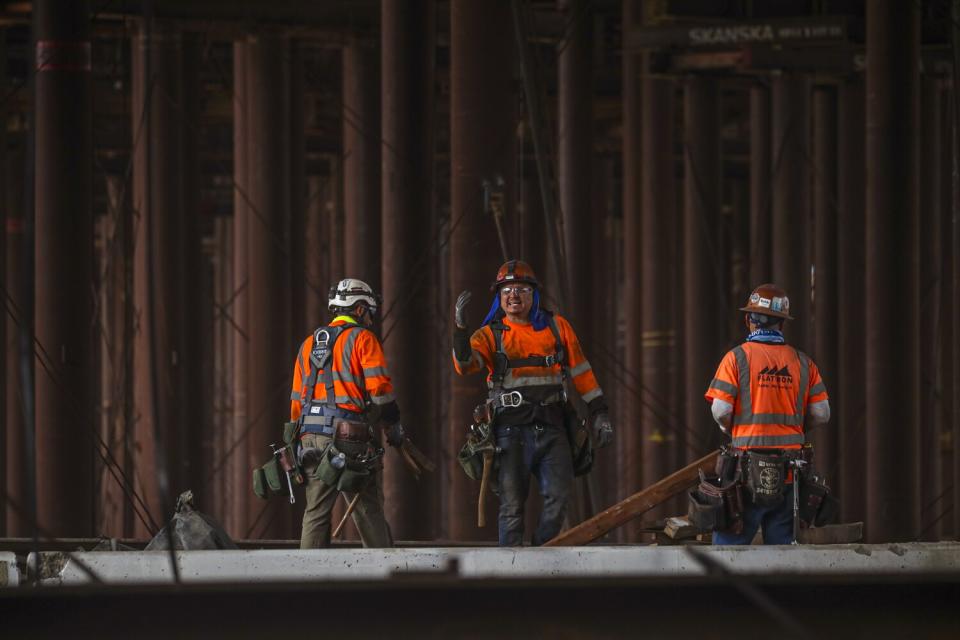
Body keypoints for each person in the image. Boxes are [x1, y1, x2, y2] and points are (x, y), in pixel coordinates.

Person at [452, 260, 613, 546]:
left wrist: (599, 412)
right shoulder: (490, 334)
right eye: (507, 290)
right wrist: (460, 331)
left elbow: (582, 373)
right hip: (510, 432)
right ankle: (511, 575)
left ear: (533, 294)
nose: (513, 295)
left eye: (521, 289)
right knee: (511, 508)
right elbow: (465, 366)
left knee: (559, 500)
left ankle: (541, 557)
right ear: (499, 298)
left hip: (554, 427)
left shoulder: (557, 328)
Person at [704, 283, 830, 544]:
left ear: (749, 320)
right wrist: (794, 426)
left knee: (729, 553)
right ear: (782, 324)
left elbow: (721, 409)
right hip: (790, 473)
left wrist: (732, 428)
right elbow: (821, 413)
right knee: (782, 556)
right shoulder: (803, 363)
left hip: (745, 472)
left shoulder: (736, 359)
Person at [290, 278, 406, 548]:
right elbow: (380, 390)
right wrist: (392, 423)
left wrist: (296, 439)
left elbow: (296, 401)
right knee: (368, 508)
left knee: (315, 513)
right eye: (369, 312)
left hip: (309, 438)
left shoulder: (307, 345)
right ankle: (384, 573)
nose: (370, 319)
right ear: (360, 309)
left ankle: (306, 579)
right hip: (347, 440)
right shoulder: (363, 339)